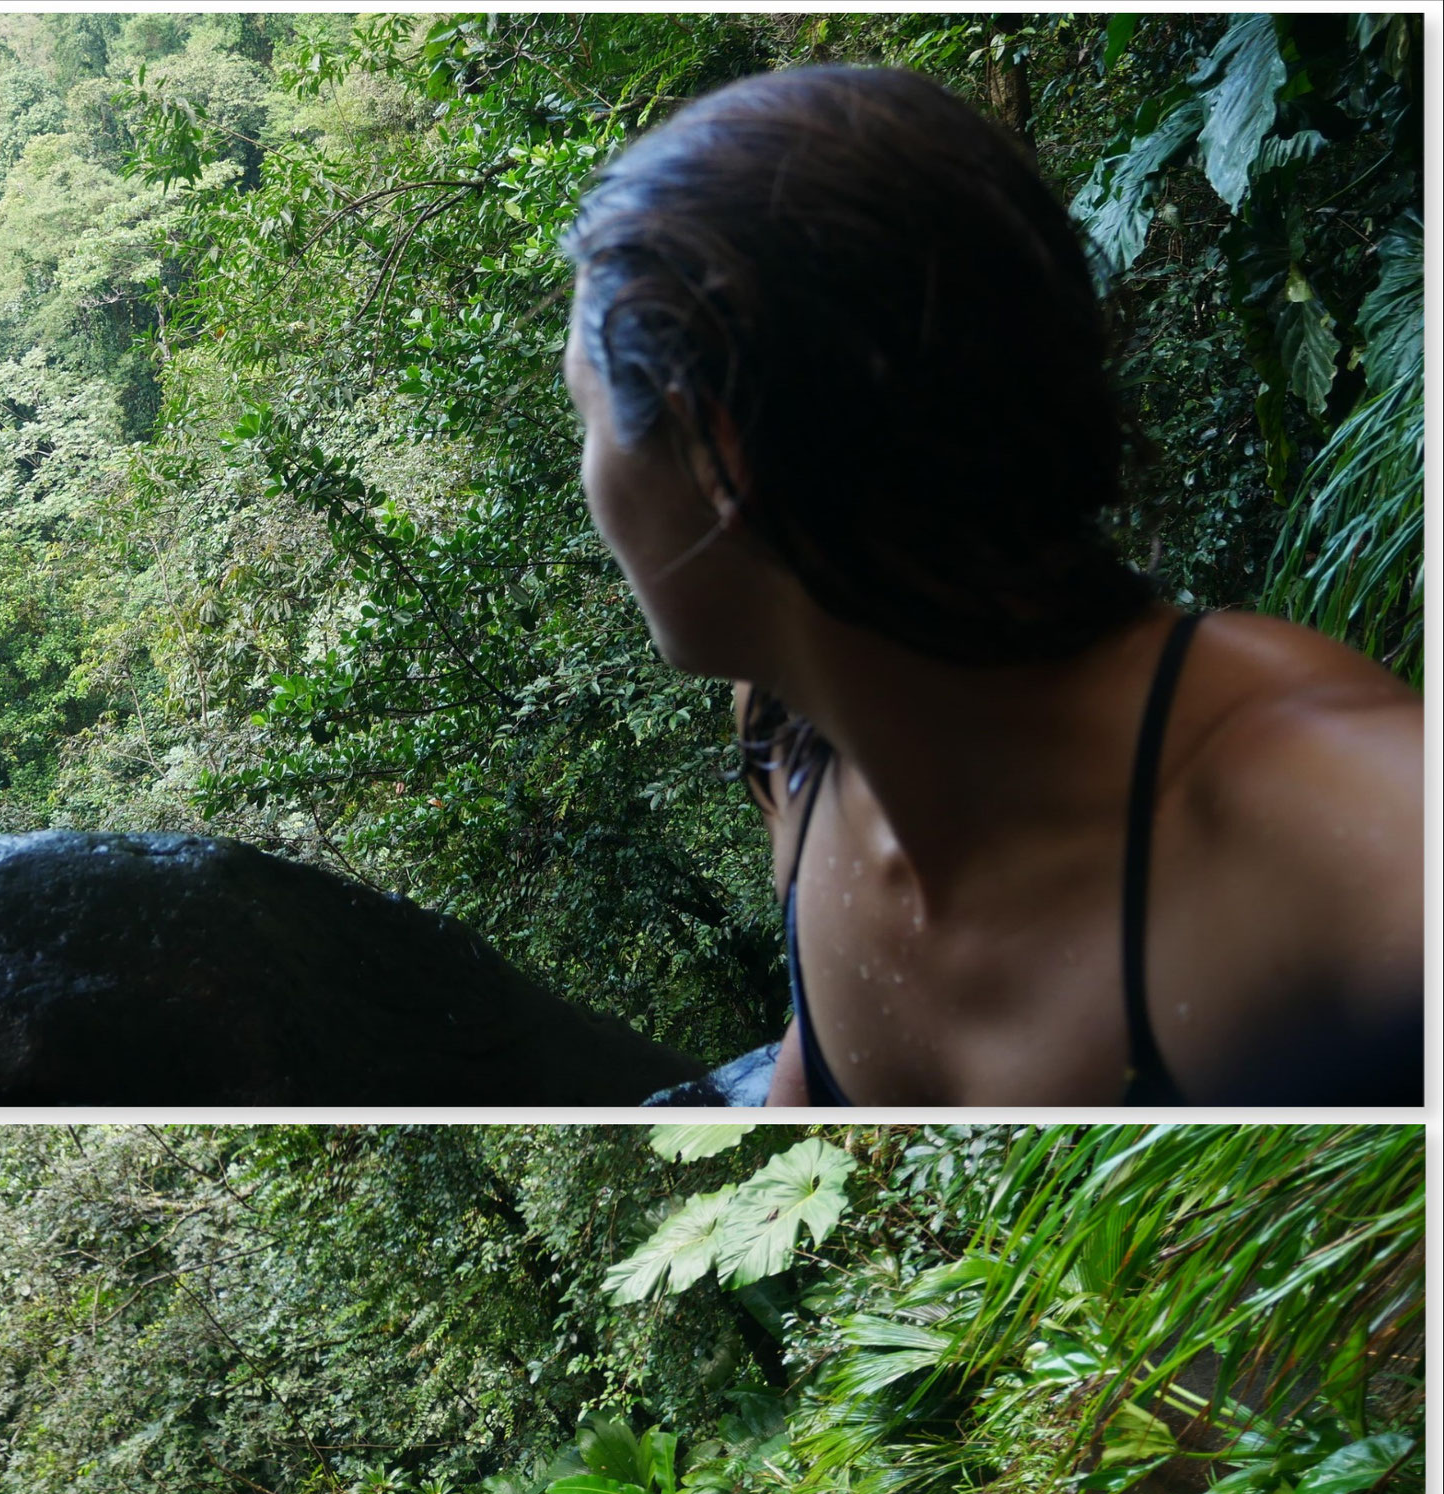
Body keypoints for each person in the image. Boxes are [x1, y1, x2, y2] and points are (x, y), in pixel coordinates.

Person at [561, 66, 1421, 1107]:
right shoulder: (789, 741)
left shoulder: (1335, 825)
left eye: (584, 418)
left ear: (718, 454)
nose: (587, 478)